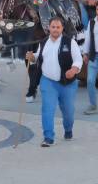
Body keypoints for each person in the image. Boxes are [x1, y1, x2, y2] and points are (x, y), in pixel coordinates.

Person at [34, 16, 83, 146]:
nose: (55, 29)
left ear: (62, 28)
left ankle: (68, 130)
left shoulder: (70, 42)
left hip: (67, 84)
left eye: (58, 27)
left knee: (68, 111)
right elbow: (39, 57)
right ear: (49, 28)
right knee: (47, 109)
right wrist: (32, 57)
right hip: (48, 81)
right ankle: (48, 137)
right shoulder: (43, 43)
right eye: (53, 27)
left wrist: (73, 70)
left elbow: (78, 59)